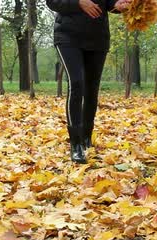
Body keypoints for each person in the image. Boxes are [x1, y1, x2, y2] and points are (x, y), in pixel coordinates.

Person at [46, 0, 132, 164]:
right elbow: (52, 2)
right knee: (77, 84)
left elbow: (108, 3)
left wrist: (117, 5)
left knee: (91, 90)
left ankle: (86, 138)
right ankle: (76, 144)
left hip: (97, 38)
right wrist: (79, 3)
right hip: (68, 36)